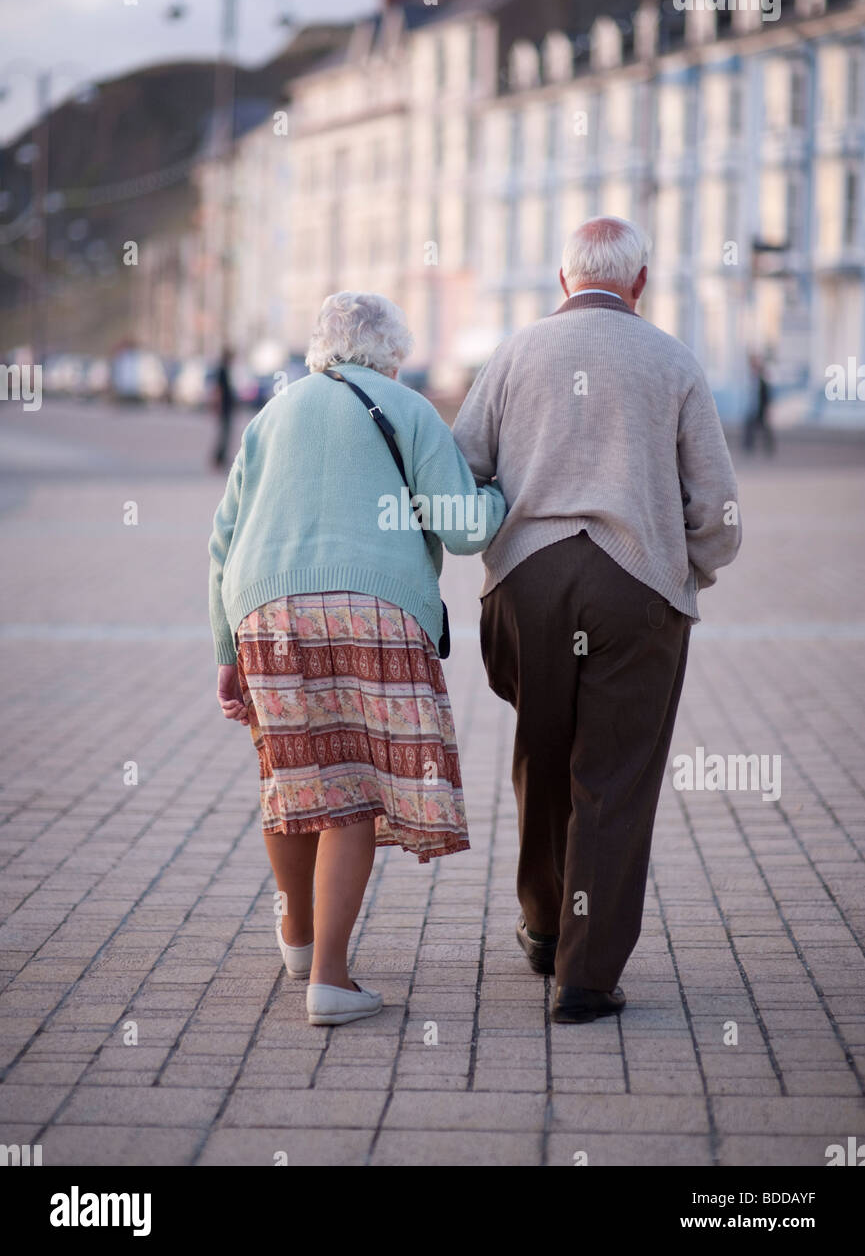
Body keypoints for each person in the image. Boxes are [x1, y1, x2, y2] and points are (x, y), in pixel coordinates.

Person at [453, 216, 742, 1024]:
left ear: (561, 279)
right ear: (639, 282)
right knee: (611, 777)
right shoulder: (672, 359)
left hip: (526, 585)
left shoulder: (512, 353)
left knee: (542, 755)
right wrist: (688, 571)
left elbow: (461, 469)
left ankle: (543, 928)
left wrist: (498, 547)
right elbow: (715, 506)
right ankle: (582, 976)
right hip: (632, 585)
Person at [208, 292, 505, 1026]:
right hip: (370, 605)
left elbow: (222, 537)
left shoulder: (272, 413)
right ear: (391, 353)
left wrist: (225, 650)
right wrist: (499, 496)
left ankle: (299, 941)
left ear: (319, 347)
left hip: (264, 608)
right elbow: (465, 530)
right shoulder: (406, 408)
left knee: (292, 773)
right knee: (350, 786)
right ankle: (332, 984)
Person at [743, 352, 774, 454]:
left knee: (765, 429)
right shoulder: (751, 379)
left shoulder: (762, 380)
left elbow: (766, 395)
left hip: (760, 408)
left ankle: (769, 448)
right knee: (750, 427)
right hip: (753, 408)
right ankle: (748, 447)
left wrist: (767, 408)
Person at [211, 346, 236, 469]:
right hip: (224, 408)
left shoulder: (226, 369)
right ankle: (218, 459)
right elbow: (219, 390)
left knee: (225, 434)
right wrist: (218, 407)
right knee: (223, 434)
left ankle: (221, 458)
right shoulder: (222, 370)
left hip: (227, 407)